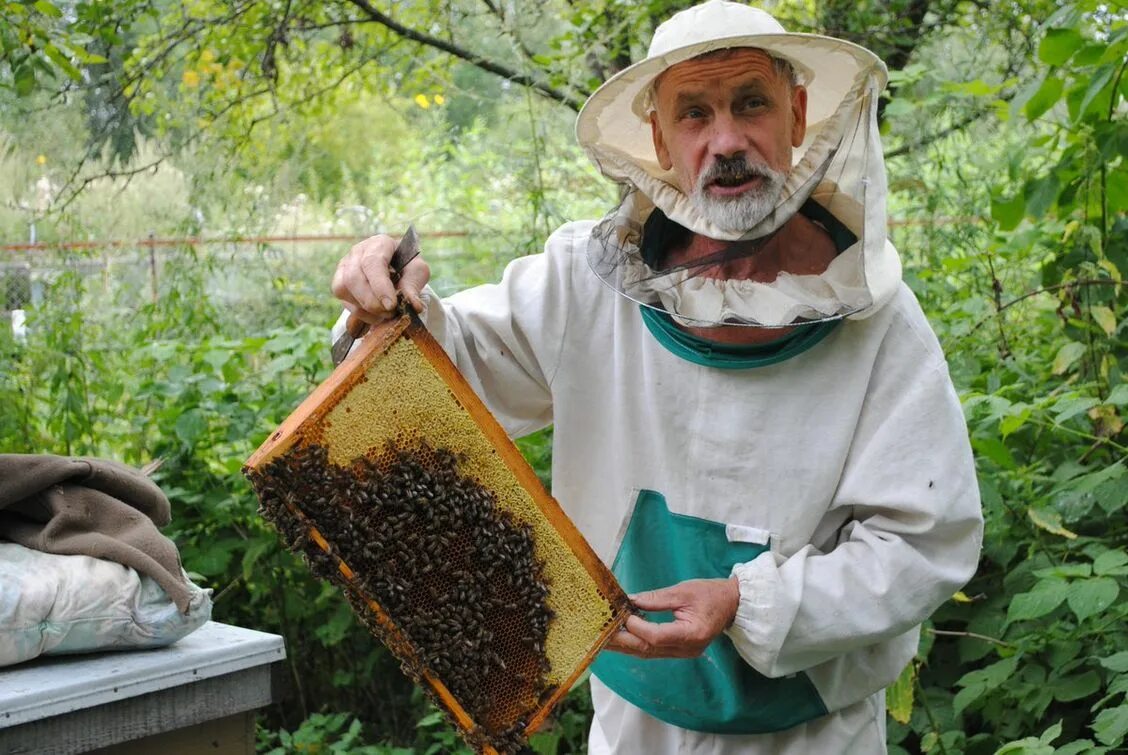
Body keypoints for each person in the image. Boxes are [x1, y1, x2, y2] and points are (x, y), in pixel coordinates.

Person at [331, 1, 983, 752]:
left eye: (751, 104)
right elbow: (447, 365)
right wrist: (383, 296)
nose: (727, 141)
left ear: (798, 115)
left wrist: (748, 601)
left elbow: (924, 540)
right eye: (695, 114)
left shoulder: (881, 322)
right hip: (634, 727)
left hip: (816, 736)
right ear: (659, 138)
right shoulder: (584, 284)